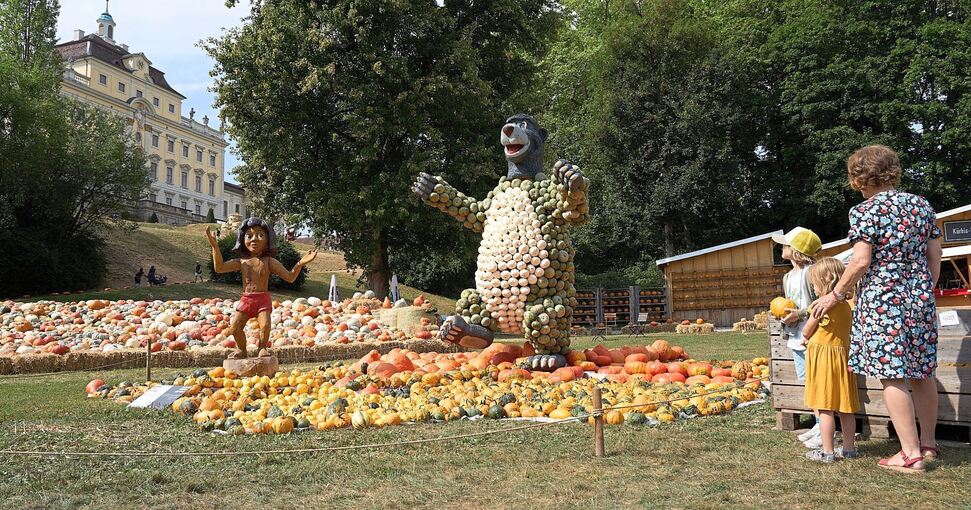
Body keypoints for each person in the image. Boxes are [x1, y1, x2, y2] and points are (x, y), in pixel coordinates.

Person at [812, 145, 943, 474]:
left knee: (892, 375)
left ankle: (909, 454)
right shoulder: (922, 206)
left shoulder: (865, 211)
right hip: (921, 298)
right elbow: (934, 259)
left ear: (857, 179)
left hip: (884, 300)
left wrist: (835, 295)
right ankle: (927, 446)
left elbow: (860, 260)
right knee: (922, 372)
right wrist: (922, 289)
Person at [206, 218, 317, 358]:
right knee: (235, 326)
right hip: (246, 299)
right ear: (242, 239)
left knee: (265, 325)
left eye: (260, 235)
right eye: (249, 236)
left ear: (267, 240)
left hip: (262, 300)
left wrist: (300, 263)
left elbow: (289, 277)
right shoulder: (241, 262)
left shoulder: (269, 261)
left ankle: (262, 348)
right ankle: (242, 350)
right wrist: (215, 247)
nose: (254, 239)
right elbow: (220, 268)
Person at [802, 258, 860, 463]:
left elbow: (808, 329)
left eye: (815, 283)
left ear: (826, 281)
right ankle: (849, 449)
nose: (813, 287)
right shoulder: (846, 306)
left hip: (824, 360)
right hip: (843, 359)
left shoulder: (821, 305)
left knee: (825, 406)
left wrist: (804, 338)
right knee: (845, 407)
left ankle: (827, 452)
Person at [772, 226, 822, 446]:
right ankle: (819, 423)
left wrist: (799, 313)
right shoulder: (787, 277)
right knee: (808, 382)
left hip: (814, 335)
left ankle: (825, 426)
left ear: (796, 250)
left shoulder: (812, 273)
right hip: (795, 336)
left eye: (785, 244)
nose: (781, 247)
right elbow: (789, 303)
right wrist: (783, 315)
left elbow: (822, 301)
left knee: (818, 382)